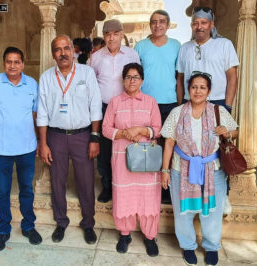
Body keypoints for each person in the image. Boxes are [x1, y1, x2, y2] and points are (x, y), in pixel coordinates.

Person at [160, 72, 238, 266]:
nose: (198, 91)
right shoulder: (177, 113)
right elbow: (169, 142)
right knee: (183, 212)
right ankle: (188, 246)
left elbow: (235, 130)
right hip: (181, 170)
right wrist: (165, 170)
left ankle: (211, 247)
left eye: (202, 87)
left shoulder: (218, 111)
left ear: (209, 91)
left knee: (212, 211)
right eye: (194, 87)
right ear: (188, 90)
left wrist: (227, 132)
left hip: (213, 170)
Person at [37, 35, 102, 245]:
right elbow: (42, 113)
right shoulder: (46, 77)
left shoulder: (87, 73)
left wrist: (94, 137)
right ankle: (61, 222)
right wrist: (43, 143)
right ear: (53, 54)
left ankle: (89, 224)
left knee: (85, 181)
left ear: (74, 51)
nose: (63, 53)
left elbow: (95, 107)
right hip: (56, 136)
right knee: (57, 181)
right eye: (58, 49)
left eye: (66, 48)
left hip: (83, 136)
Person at [0, 46, 42, 252]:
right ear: (3, 63)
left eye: (16, 62)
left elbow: (36, 116)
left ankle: (28, 226)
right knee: (3, 191)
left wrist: (41, 142)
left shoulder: (32, 84)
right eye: (9, 61)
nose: (12, 65)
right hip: (1, 149)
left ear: (22, 64)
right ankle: (3, 230)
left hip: (27, 148)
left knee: (26, 189)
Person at [102, 63, 162, 257]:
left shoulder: (150, 102)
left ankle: (150, 236)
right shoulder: (114, 102)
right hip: (122, 158)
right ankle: (125, 234)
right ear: (123, 80)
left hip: (146, 160)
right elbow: (105, 128)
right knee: (123, 196)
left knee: (148, 197)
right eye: (128, 77)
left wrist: (142, 130)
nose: (131, 80)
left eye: (135, 77)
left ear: (142, 80)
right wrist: (124, 133)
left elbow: (158, 129)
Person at [134, 10, 181, 204]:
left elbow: (180, 77)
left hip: (169, 102)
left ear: (168, 24)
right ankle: (145, 187)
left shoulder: (176, 46)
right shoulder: (140, 46)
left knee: (168, 145)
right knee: (146, 145)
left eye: (162, 22)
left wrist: (180, 104)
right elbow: (134, 75)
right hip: (146, 103)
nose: (158, 25)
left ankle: (165, 188)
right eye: (154, 22)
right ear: (150, 25)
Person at [91, 19, 140, 203]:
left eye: (115, 34)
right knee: (105, 149)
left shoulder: (131, 54)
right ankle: (107, 186)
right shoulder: (96, 57)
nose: (111, 38)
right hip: (104, 108)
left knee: (125, 147)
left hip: (125, 107)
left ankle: (125, 186)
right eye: (107, 34)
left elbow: (136, 79)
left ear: (121, 34)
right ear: (104, 36)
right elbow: (92, 82)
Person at [176, 7, 239, 113]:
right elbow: (180, 79)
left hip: (217, 102)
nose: (199, 27)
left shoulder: (225, 44)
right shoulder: (184, 47)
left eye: (203, 22)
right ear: (191, 26)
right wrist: (180, 104)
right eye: (195, 23)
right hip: (189, 102)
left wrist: (227, 106)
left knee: (217, 130)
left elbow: (232, 77)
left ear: (211, 24)